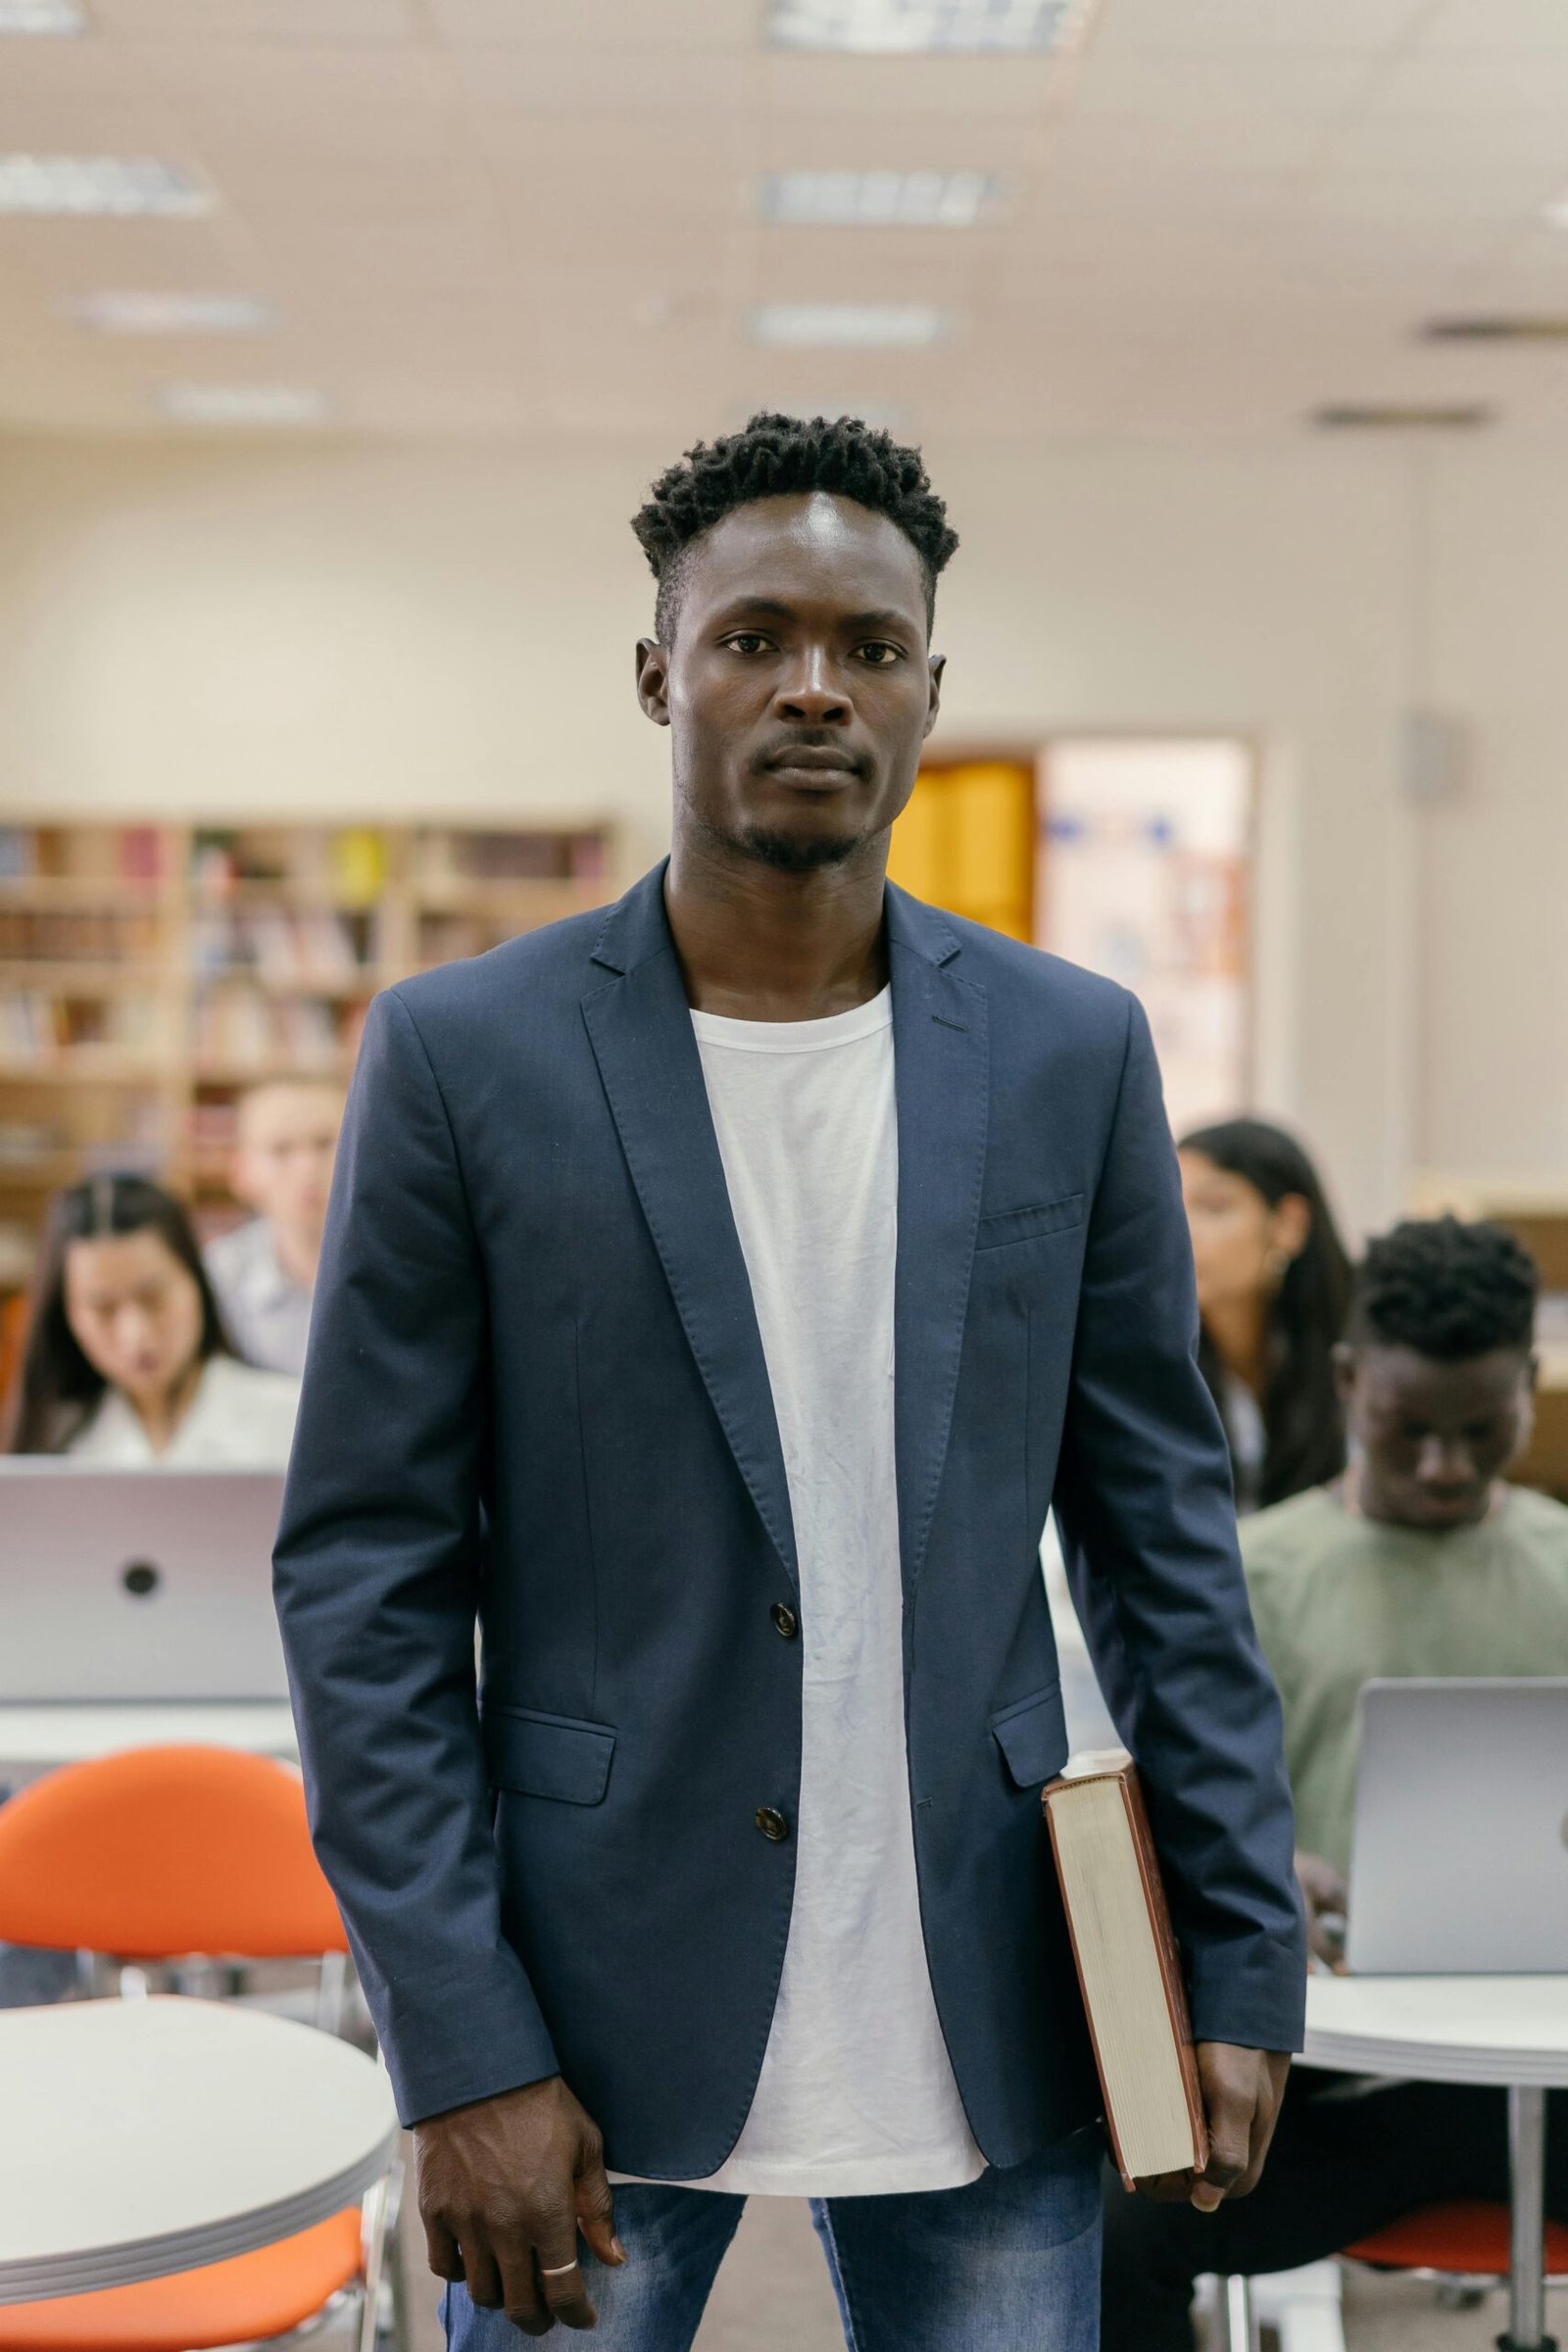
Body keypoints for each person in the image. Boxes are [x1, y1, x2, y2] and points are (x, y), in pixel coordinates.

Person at [274, 411, 1304, 2351]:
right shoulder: (461, 1058)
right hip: (578, 2007)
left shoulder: (1066, 1050)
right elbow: (364, 1587)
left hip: (983, 1996)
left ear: (929, 690)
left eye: (869, 644)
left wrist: (1237, 1965)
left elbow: (1164, 1542)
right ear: (658, 672)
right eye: (751, 638)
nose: (812, 685)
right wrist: (454, 2040)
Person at [1100, 1214, 1568, 2351]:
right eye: (1408, 1431)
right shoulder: (1247, 1575)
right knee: (1117, 2234)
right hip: (1342, 2082)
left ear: (1532, 1385)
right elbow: (1142, 1812)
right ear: (1350, 1379)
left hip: (1554, 2077)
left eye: (1479, 1428)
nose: (1443, 1466)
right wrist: (1251, 1877)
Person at [7, 1172, 298, 1462]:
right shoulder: (53, 1447)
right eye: (103, 1309)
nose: (136, 1333)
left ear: (196, 1283)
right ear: (66, 1315)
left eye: (154, 1298)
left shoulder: (290, 1419)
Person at [1177, 1117, 1351, 1514]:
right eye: (1170, 1206)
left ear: (1288, 1224)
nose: (1182, 1231)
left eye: (1213, 1207)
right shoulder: (1156, 1358)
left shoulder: (1357, 1349)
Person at [203, 1077, 344, 1375]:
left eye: (324, 1143)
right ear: (241, 1171)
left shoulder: (406, 1265)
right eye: (281, 1149)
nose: (307, 1167)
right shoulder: (217, 1277)